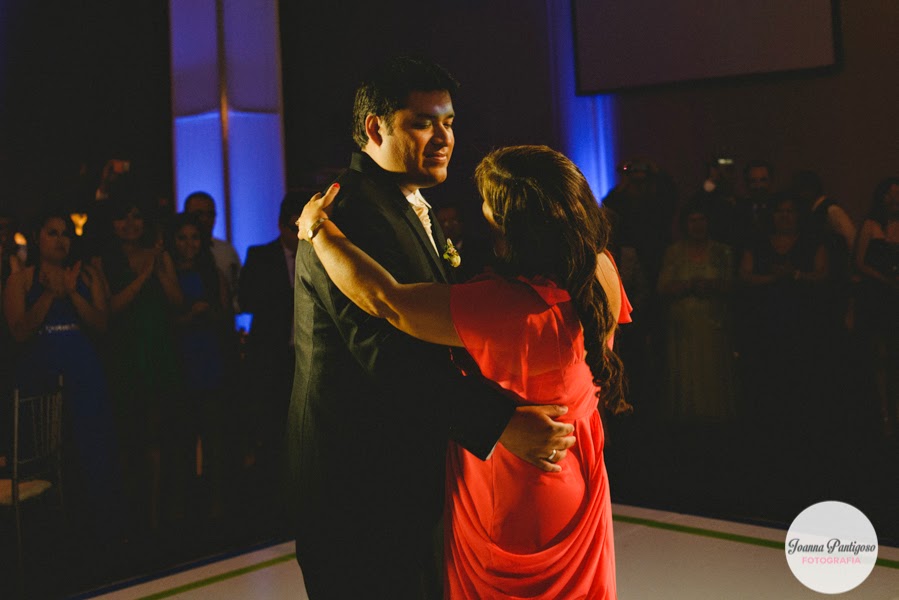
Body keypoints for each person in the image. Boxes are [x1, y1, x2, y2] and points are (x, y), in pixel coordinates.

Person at [288, 57, 576, 600]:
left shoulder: (402, 203)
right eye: (423, 123)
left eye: (449, 122)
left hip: (407, 470)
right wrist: (500, 424)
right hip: (357, 483)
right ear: (375, 128)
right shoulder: (344, 214)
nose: (444, 138)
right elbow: (385, 355)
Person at [298, 144, 630, 598]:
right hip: (579, 464)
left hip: (516, 485)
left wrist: (318, 230)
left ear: (512, 225)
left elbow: (386, 300)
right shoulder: (600, 268)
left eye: (488, 204)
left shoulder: (506, 305)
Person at [3, 210, 123, 543]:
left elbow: (101, 324)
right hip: (39, 371)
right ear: (38, 237)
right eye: (52, 232)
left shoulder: (87, 275)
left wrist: (71, 293)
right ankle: (48, 538)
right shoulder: (20, 280)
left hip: (83, 368)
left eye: (66, 233)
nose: (60, 240)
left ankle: (102, 533)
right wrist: (48, 295)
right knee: (43, 450)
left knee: (93, 448)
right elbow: (19, 332)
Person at [237, 190, 303, 490]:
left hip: (303, 355)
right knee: (271, 426)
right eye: (293, 227)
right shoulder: (260, 256)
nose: (298, 235)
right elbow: (246, 300)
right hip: (270, 355)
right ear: (280, 225)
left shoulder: (318, 256)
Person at [657, 201, 737, 422]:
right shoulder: (674, 253)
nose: (698, 225)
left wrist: (711, 286)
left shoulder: (722, 251)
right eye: (693, 220)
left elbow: (733, 284)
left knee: (713, 369)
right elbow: (662, 287)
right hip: (684, 328)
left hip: (714, 324)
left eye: (702, 220)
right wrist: (688, 286)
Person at [854, 177, 899, 435]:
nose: (893, 199)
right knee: (879, 354)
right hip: (877, 295)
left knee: (895, 354)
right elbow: (859, 262)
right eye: (889, 194)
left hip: (895, 295)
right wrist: (885, 279)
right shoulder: (871, 225)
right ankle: (883, 411)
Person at [184, 191, 241, 312]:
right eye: (198, 214)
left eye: (210, 214)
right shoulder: (174, 253)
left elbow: (238, 290)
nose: (205, 219)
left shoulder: (226, 251)